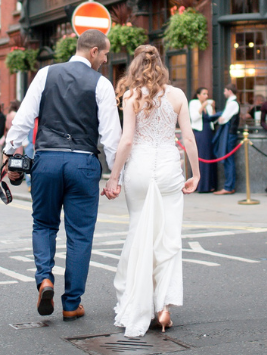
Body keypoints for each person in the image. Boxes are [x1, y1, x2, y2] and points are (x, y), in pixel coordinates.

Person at [4, 30, 121, 320]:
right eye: (104, 53)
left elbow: (24, 118)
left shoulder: (45, 74)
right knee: (80, 236)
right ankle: (71, 303)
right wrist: (116, 176)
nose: (105, 59)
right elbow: (111, 138)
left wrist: (9, 152)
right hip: (82, 163)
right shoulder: (102, 84)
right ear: (93, 51)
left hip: (47, 161)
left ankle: (45, 278)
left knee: (43, 224)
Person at [104, 44, 197, 336]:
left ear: (135, 65)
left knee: (139, 232)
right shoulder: (178, 95)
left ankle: (140, 299)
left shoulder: (131, 96)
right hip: (169, 168)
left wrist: (113, 177)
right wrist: (196, 173)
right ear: (161, 64)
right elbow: (189, 138)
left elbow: (127, 141)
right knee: (167, 237)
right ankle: (163, 306)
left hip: (141, 170)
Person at [210, 86, 240, 195]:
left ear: (230, 91)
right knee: (228, 159)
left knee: (228, 159)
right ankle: (229, 186)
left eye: (225, 90)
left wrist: (219, 119)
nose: (224, 92)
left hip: (230, 134)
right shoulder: (232, 102)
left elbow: (223, 119)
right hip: (230, 134)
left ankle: (228, 187)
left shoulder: (232, 103)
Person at [187, 88, 217, 194]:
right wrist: (203, 106)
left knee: (209, 156)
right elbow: (194, 117)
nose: (206, 96)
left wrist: (212, 108)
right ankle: (201, 185)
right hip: (200, 132)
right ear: (198, 95)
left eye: (207, 94)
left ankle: (210, 184)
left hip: (209, 131)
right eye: (204, 94)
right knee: (202, 156)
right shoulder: (194, 103)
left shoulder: (207, 105)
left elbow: (212, 118)